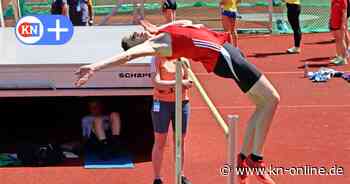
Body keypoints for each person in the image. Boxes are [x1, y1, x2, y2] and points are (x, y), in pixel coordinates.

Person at [75, 20, 280, 184]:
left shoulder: (160, 32)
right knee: (272, 99)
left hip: (224, 48)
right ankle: (256, 158)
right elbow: (126, 56)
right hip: (222, 57)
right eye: (132, 38)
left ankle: (243, 158)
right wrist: (96, 66)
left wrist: (161, 27)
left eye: (132, 33)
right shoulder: (156, 45)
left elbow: (187, 22)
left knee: (263, 104)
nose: (135, 34)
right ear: (140, 46)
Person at [150, 57, 192, 184]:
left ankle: (181, 174)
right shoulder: (156, 59)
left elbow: (189, 82)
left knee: (180, 141)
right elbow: (157, 83)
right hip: (161, 104)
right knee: (160, 142)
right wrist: (178, 83)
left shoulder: (183, 58)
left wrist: (171, 85)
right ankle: (157, 178)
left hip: (182, 103)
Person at [329, 0, 348, 65]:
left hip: (340, 24)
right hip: (334, 23)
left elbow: (344, 13)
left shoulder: (343, 1)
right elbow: (331, 11)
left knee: (341, 40)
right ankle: (339, 57)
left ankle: (344, 59)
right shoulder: (333, 1)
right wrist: (330, 21)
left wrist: (343, 24)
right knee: (337, 40)